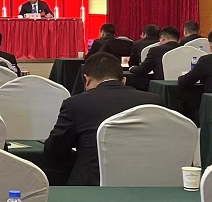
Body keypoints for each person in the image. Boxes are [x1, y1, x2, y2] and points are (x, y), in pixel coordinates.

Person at [44, 52, 163, 186]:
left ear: (86, 80)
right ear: (124, 80)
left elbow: (54, 150)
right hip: (144, 184)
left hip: (90, 187)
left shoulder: (75, 104)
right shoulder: (154, 101)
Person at [128, 26, 181, 91]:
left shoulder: (155, 50)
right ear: (178, 40)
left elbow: (143, 69)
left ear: (162, 38)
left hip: (162, 88)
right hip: (182, 86)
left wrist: (131, 68)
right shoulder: (186, 50)